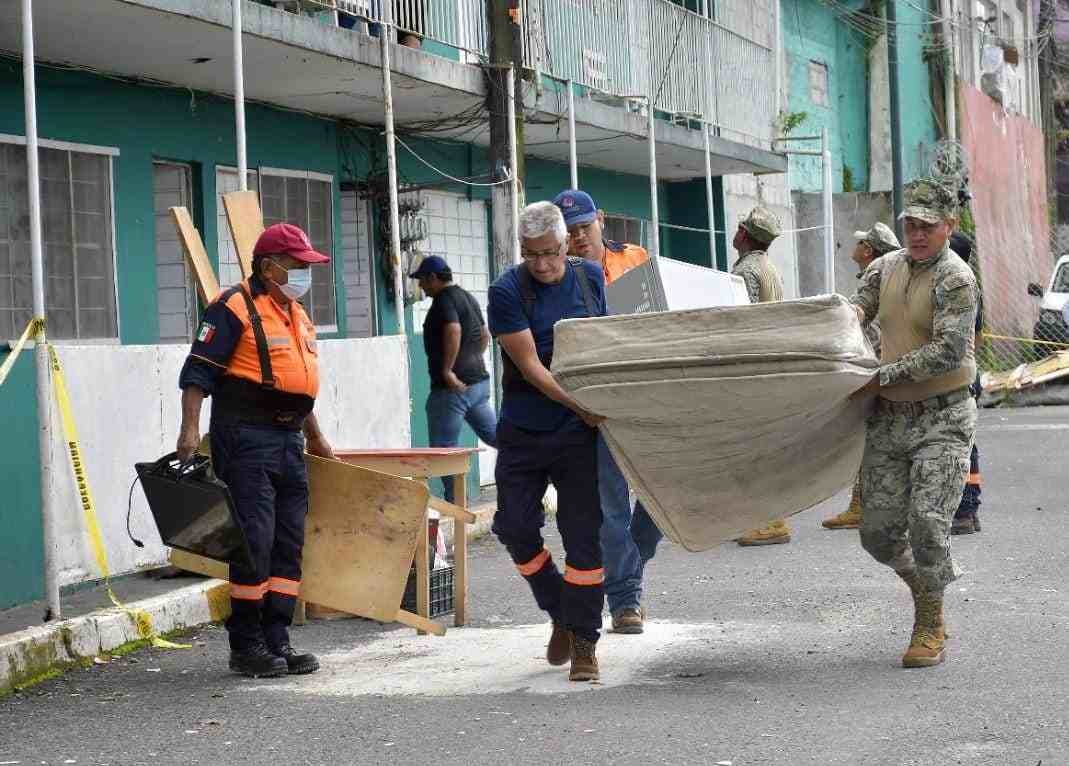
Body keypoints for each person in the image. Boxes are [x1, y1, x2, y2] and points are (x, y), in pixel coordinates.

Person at [177, 223, 335, 679]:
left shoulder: (296, 312)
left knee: (288, 541)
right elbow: (197, 374)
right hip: (245, 437)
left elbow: (297, 386)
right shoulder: (232, 307)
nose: (306, 273)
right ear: (269, 267)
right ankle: (246, 644)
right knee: (254, 542)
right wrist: (189, 432)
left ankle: (277, 638)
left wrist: (317, 437)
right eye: (299, 265)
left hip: (288, 439)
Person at [849, 178, 978, 668]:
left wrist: (881, 374)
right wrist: (850, 324)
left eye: (928, 225)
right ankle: (924, 583)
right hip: (890, 419)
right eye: (911, 224)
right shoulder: (885, 267)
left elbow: (947, 352)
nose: (917, 233)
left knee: (927, 523)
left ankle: (930, 617)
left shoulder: (956, 279)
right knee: (877, 534)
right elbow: (854, 310)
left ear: (950, 226)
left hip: (943, 417)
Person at [488, 201, 607, 682]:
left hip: (578, 434)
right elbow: (531, 367)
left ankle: (585, 643)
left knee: (583, 537)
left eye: (550, 253)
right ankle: (559, 608)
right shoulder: (505, 291)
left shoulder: (588, 277)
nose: (542, 264)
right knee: (514, 526)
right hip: (525, 426)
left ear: (567, 244)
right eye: (531, 254)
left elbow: (604, 343)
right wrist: (578, 403)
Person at [552, 189, 663, 635]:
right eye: (571, 231)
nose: (580, 236)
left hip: (649, 397)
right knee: (611, 506)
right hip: (597, 406)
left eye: (585, 226)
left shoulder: (636, 257)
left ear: (599, 219)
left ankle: (628, 568)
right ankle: (624, 601)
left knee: (661, 496)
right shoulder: (562, 277)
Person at [823, 221, 901, 531]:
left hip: (875, 365)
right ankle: (864, 504)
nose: (854, 247)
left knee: (871, 436)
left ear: (868, 249)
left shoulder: (875, 273)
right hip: (885, 363)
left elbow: (861, 322)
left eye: (860, 243)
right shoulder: (891, 273)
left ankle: (863, 506)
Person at [410, 255, 497, 504]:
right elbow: (484, 334)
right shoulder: (466, 297)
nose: (422, 287)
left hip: (452, 390)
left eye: (423, 281)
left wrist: (449, 369)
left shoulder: (443, 301)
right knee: (495, 435)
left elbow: (453, 329)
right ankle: (534, 463)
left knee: (444, 449)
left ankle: (454, 504)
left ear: (433, 278)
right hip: (477, 384)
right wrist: (471, 359)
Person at [730, 206, 791, 547]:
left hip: (754, 368)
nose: (735, 232)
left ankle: (771, 521)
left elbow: (743, 323)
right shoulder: (768, 268)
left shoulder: (748, 271)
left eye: (740, 227)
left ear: (747, 235)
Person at [948, 231, 984, 535]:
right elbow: (980, 337)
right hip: (969, 371)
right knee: (966, 443)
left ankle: (965, 509)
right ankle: (968, 510)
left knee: (962, 444)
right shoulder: (971, 284)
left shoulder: (959, 285)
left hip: (960, 375)